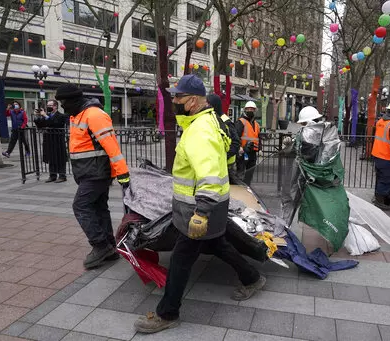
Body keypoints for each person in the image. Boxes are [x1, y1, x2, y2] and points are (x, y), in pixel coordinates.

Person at [134, 75, 265, 334]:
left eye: (178, 97)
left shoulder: (200, 131)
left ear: (192, 101)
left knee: (181, 261)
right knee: (218, 245)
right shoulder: (205, 122)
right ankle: (252, 278)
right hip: (204, 208)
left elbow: (210, 174)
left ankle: (167, 313)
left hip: (199, 211)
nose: (174, 101)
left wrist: (202, 212)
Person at [55, 84, 129, 269]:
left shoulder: (94, 115)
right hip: (89, 171)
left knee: (81, 205)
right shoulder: (77, 115)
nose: (62, 106)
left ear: (73, 100)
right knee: (99, 207)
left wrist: (122, 173)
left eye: (63, 102)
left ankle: (100, 245)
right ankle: (110, 247)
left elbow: (112, 146)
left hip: (97, 173)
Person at [280, 106, 323, 224]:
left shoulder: (320, 137)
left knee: (292, 203)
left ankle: (287, 225)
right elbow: (289, 152)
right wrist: (288, 145)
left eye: (303, 124)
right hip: (305, 179)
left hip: (306, 179)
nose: (302, 127)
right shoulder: (306, 135)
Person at [207, 93, 241, 183]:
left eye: (208, 104)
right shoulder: (212, 118)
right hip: (218, 163)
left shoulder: (225, 121)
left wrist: (224, 156)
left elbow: (236, 142)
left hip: (227, 165)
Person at [34, 100, 68, 183]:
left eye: (51, 105)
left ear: (55, 106)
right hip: (49, 139)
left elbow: (55, 124)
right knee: (51, 157)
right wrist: (37, 117)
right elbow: (41, 124)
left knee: (60, 158)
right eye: (48, 105)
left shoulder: (61, 116)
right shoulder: (47, 115)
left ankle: (62, 176)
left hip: (58, 140)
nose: (49, 107)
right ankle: (52, 175)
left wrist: (45, 116)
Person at [236, 101, 260, 186]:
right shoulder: (241, 121)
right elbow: (236, 136)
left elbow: (257, 137)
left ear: (255, 110)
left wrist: (259, 148)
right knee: (240, 175)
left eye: (252, 109)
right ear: (245, 110)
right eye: (248, 109)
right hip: (243, 153)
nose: (250, 110)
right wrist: (240, 148)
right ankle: (240, 192)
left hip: (253, 153)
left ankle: (247, 190)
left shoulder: (256, 124)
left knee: (249, 175)